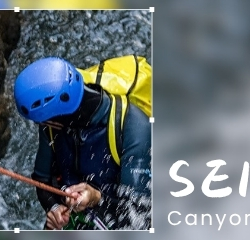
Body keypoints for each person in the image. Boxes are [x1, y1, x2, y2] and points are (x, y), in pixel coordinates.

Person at [13, 57, 151, 230]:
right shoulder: (51, 124)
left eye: (43, 121)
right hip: (77, 221)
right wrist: (54, 208)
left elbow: (139, 217)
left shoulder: (133, 127)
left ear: (58, 116)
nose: (41, 124)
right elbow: (42, 180)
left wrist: (97, 198)